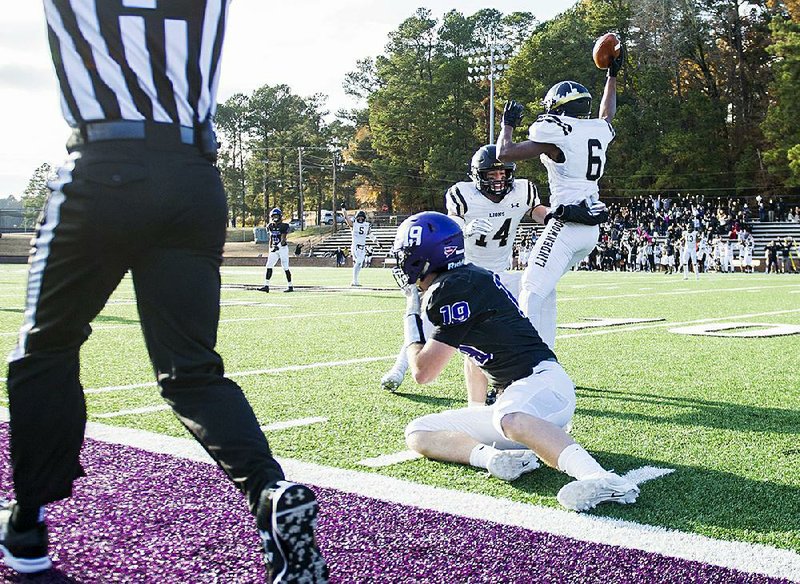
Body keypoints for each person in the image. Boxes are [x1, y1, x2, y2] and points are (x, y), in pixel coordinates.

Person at [0, 3, 328, 581]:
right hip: (193, 179)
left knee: (46, 347)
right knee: (192, 371)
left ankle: (27, 523)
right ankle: (268, 492)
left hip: (105, 166)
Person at [393, 212, 639, 512]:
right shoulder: (464, 279)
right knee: (419, 431)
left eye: (406, 255)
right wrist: (476, 414)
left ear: (423, 256)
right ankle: (497, 459)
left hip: (542, 386)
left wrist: (410, 315)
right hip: (520, 398)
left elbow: (422, 372)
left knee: (509, 417)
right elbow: (473, 358)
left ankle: (603, 479)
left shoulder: (455, 287)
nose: (402, 263)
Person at [380, 145, 542, 402]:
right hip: (466, 271)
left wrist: (557, 217)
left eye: (503, 174)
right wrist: (466, 227)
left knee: (508, 326)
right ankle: (399, 368)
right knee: (430, 320)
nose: (499, 180)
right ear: (478, 175)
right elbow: (450, 221)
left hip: (498, 273)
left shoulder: (523, 190)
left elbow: (537, 211)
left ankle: (523, 374)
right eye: (492, 174)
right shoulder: (462, 195)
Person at [496, 48, 622, 349]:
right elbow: (607, 113)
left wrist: (507, 126)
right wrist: (612, 75)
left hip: (567, 224)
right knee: (545, 288)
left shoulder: (557, 131)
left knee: (530, 290)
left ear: (555, 106)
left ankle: (521, 364)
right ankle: (546, 356)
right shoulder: (597, 128)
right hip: (591, 229)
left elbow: (505, 154)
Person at [258, 208, 294, 293]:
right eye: (274, 216)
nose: (275, 217)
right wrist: (270, 247)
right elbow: (271, 237)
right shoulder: (270, 226)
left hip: (282, 248)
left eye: (277, 216)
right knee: (269, 265)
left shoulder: (283, 226)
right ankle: (266, 286)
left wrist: (278, 246)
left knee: (285, 267)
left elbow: (283, 239)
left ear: (280, 216)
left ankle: (290, 286)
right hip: (274, 249)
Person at [342, 209, 379, 287]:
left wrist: (376, 241)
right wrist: (343, 210)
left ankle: (356, 280)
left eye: (362, 217)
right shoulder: (354, 224)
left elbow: (370, 234)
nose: (360, 219)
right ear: (356, 217)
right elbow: (347, 219)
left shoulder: (366, 225)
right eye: (359, 217)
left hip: (362, 247)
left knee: (360, 264)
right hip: (356, 246)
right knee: (358, 262)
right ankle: (354, 280)